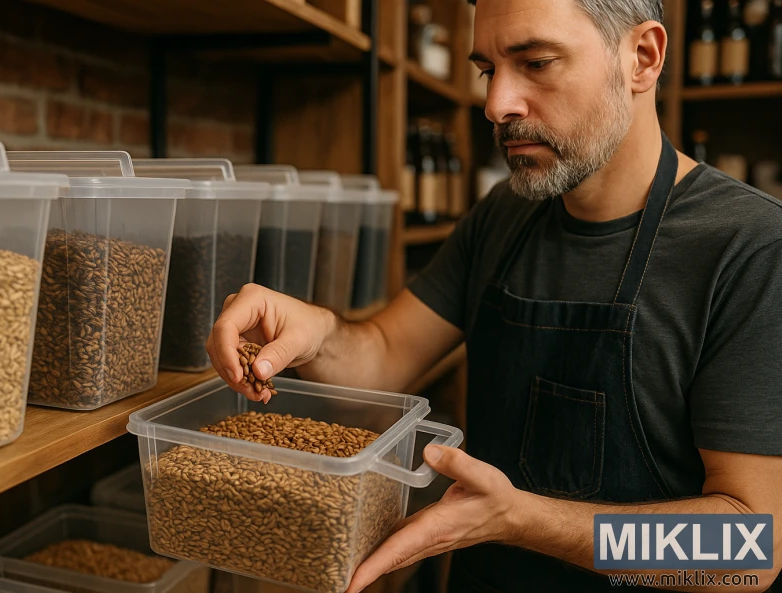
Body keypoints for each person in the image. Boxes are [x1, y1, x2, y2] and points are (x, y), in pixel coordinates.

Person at [205, 0, 782, 590]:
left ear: (642, 57)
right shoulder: (505, 216)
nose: (496, 104)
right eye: (488, 70)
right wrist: (316, 332)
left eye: (535, 63)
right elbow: (384, 353)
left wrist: (520, 520)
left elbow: (745, 547)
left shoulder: (750, 248)